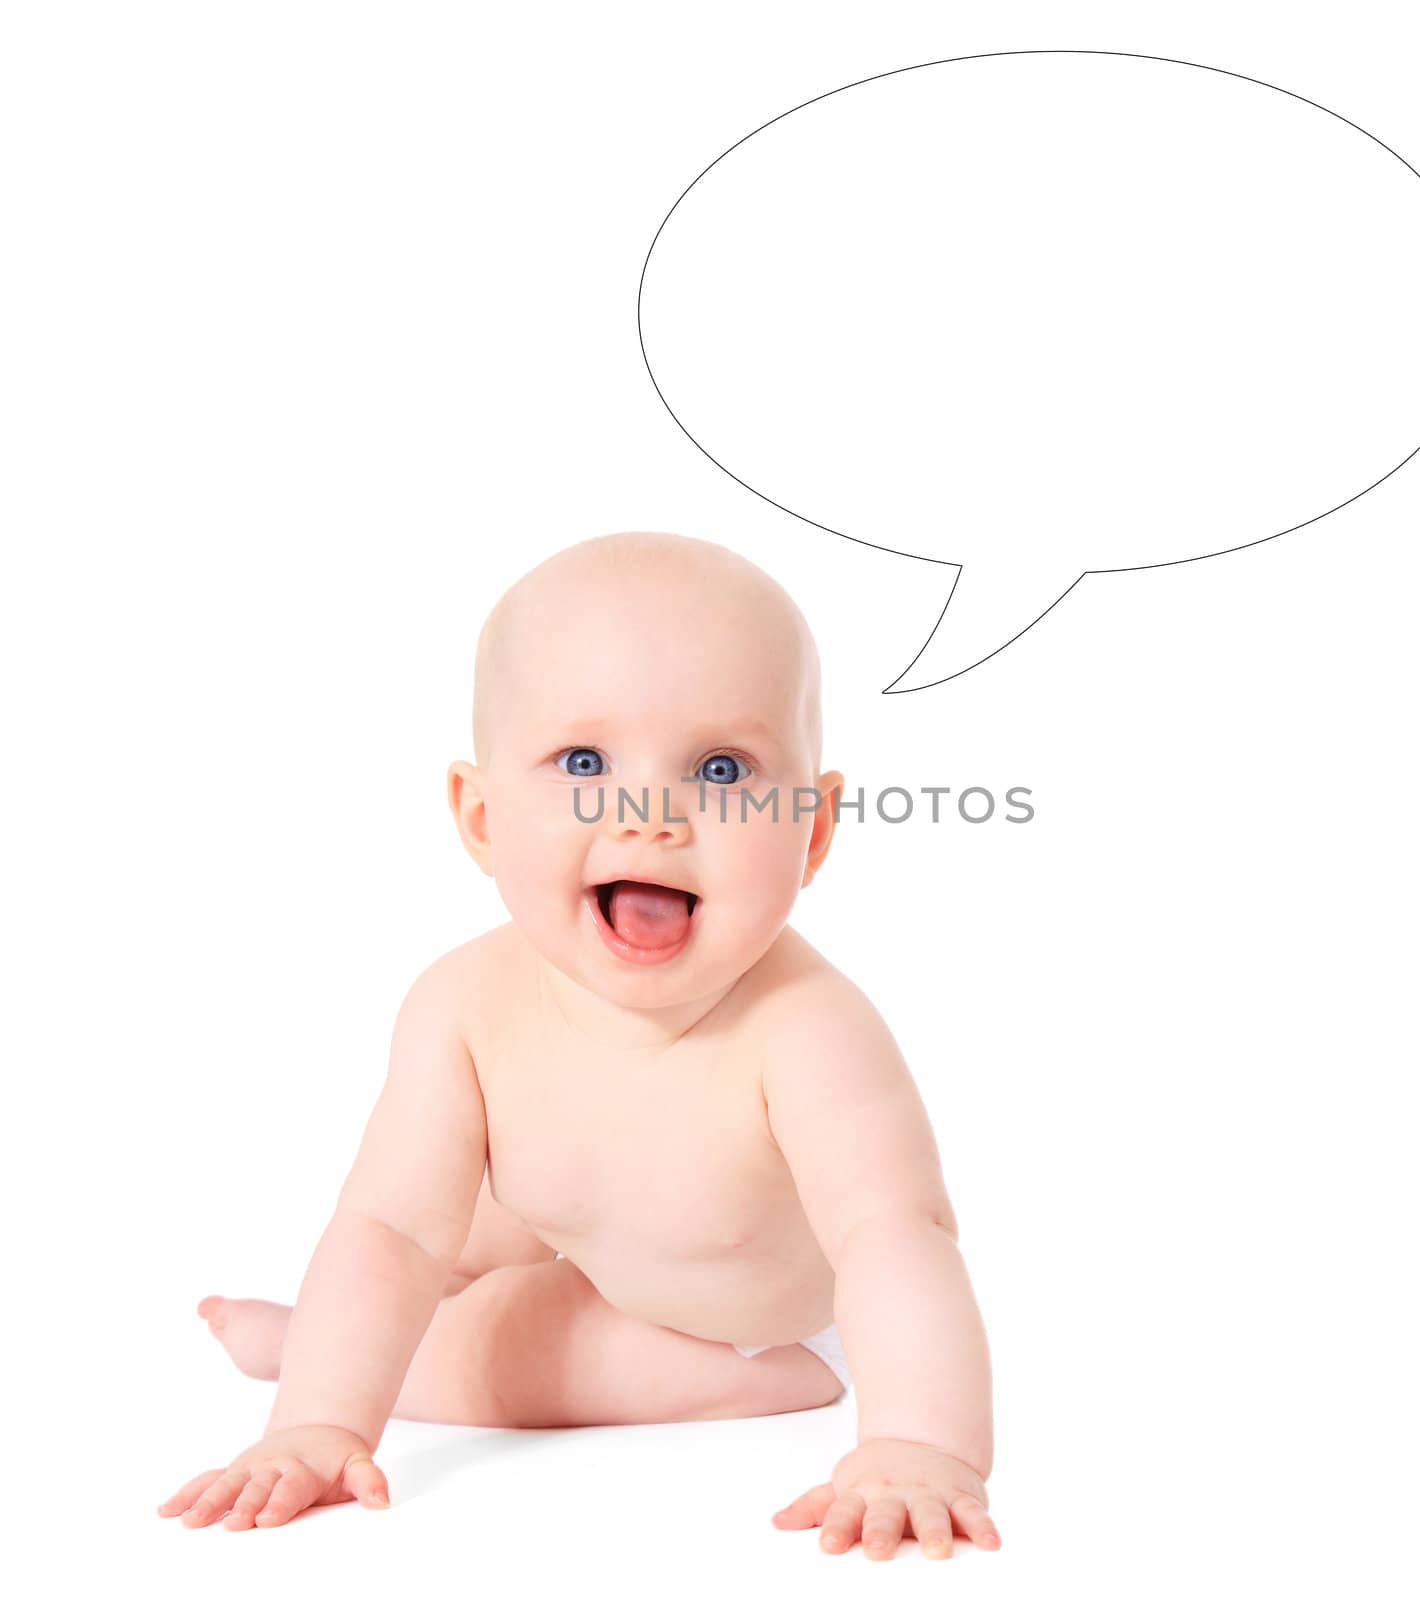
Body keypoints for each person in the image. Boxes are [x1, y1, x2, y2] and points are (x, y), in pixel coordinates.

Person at [158, 531, 1000, 1561]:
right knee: (432, 1224)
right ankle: (318, 1364)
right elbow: (389, 1228)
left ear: (812, 831)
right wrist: (316, 1424)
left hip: (728, 1323)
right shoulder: (464, 1004)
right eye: (585, 762)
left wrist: (920, 1442)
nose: (650, 815)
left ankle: (302, 1344)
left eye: (722, 768)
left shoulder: (809, 1030)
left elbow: (893, 1235)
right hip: (577, 1218)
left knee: (506, 1352)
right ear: (480, 815)